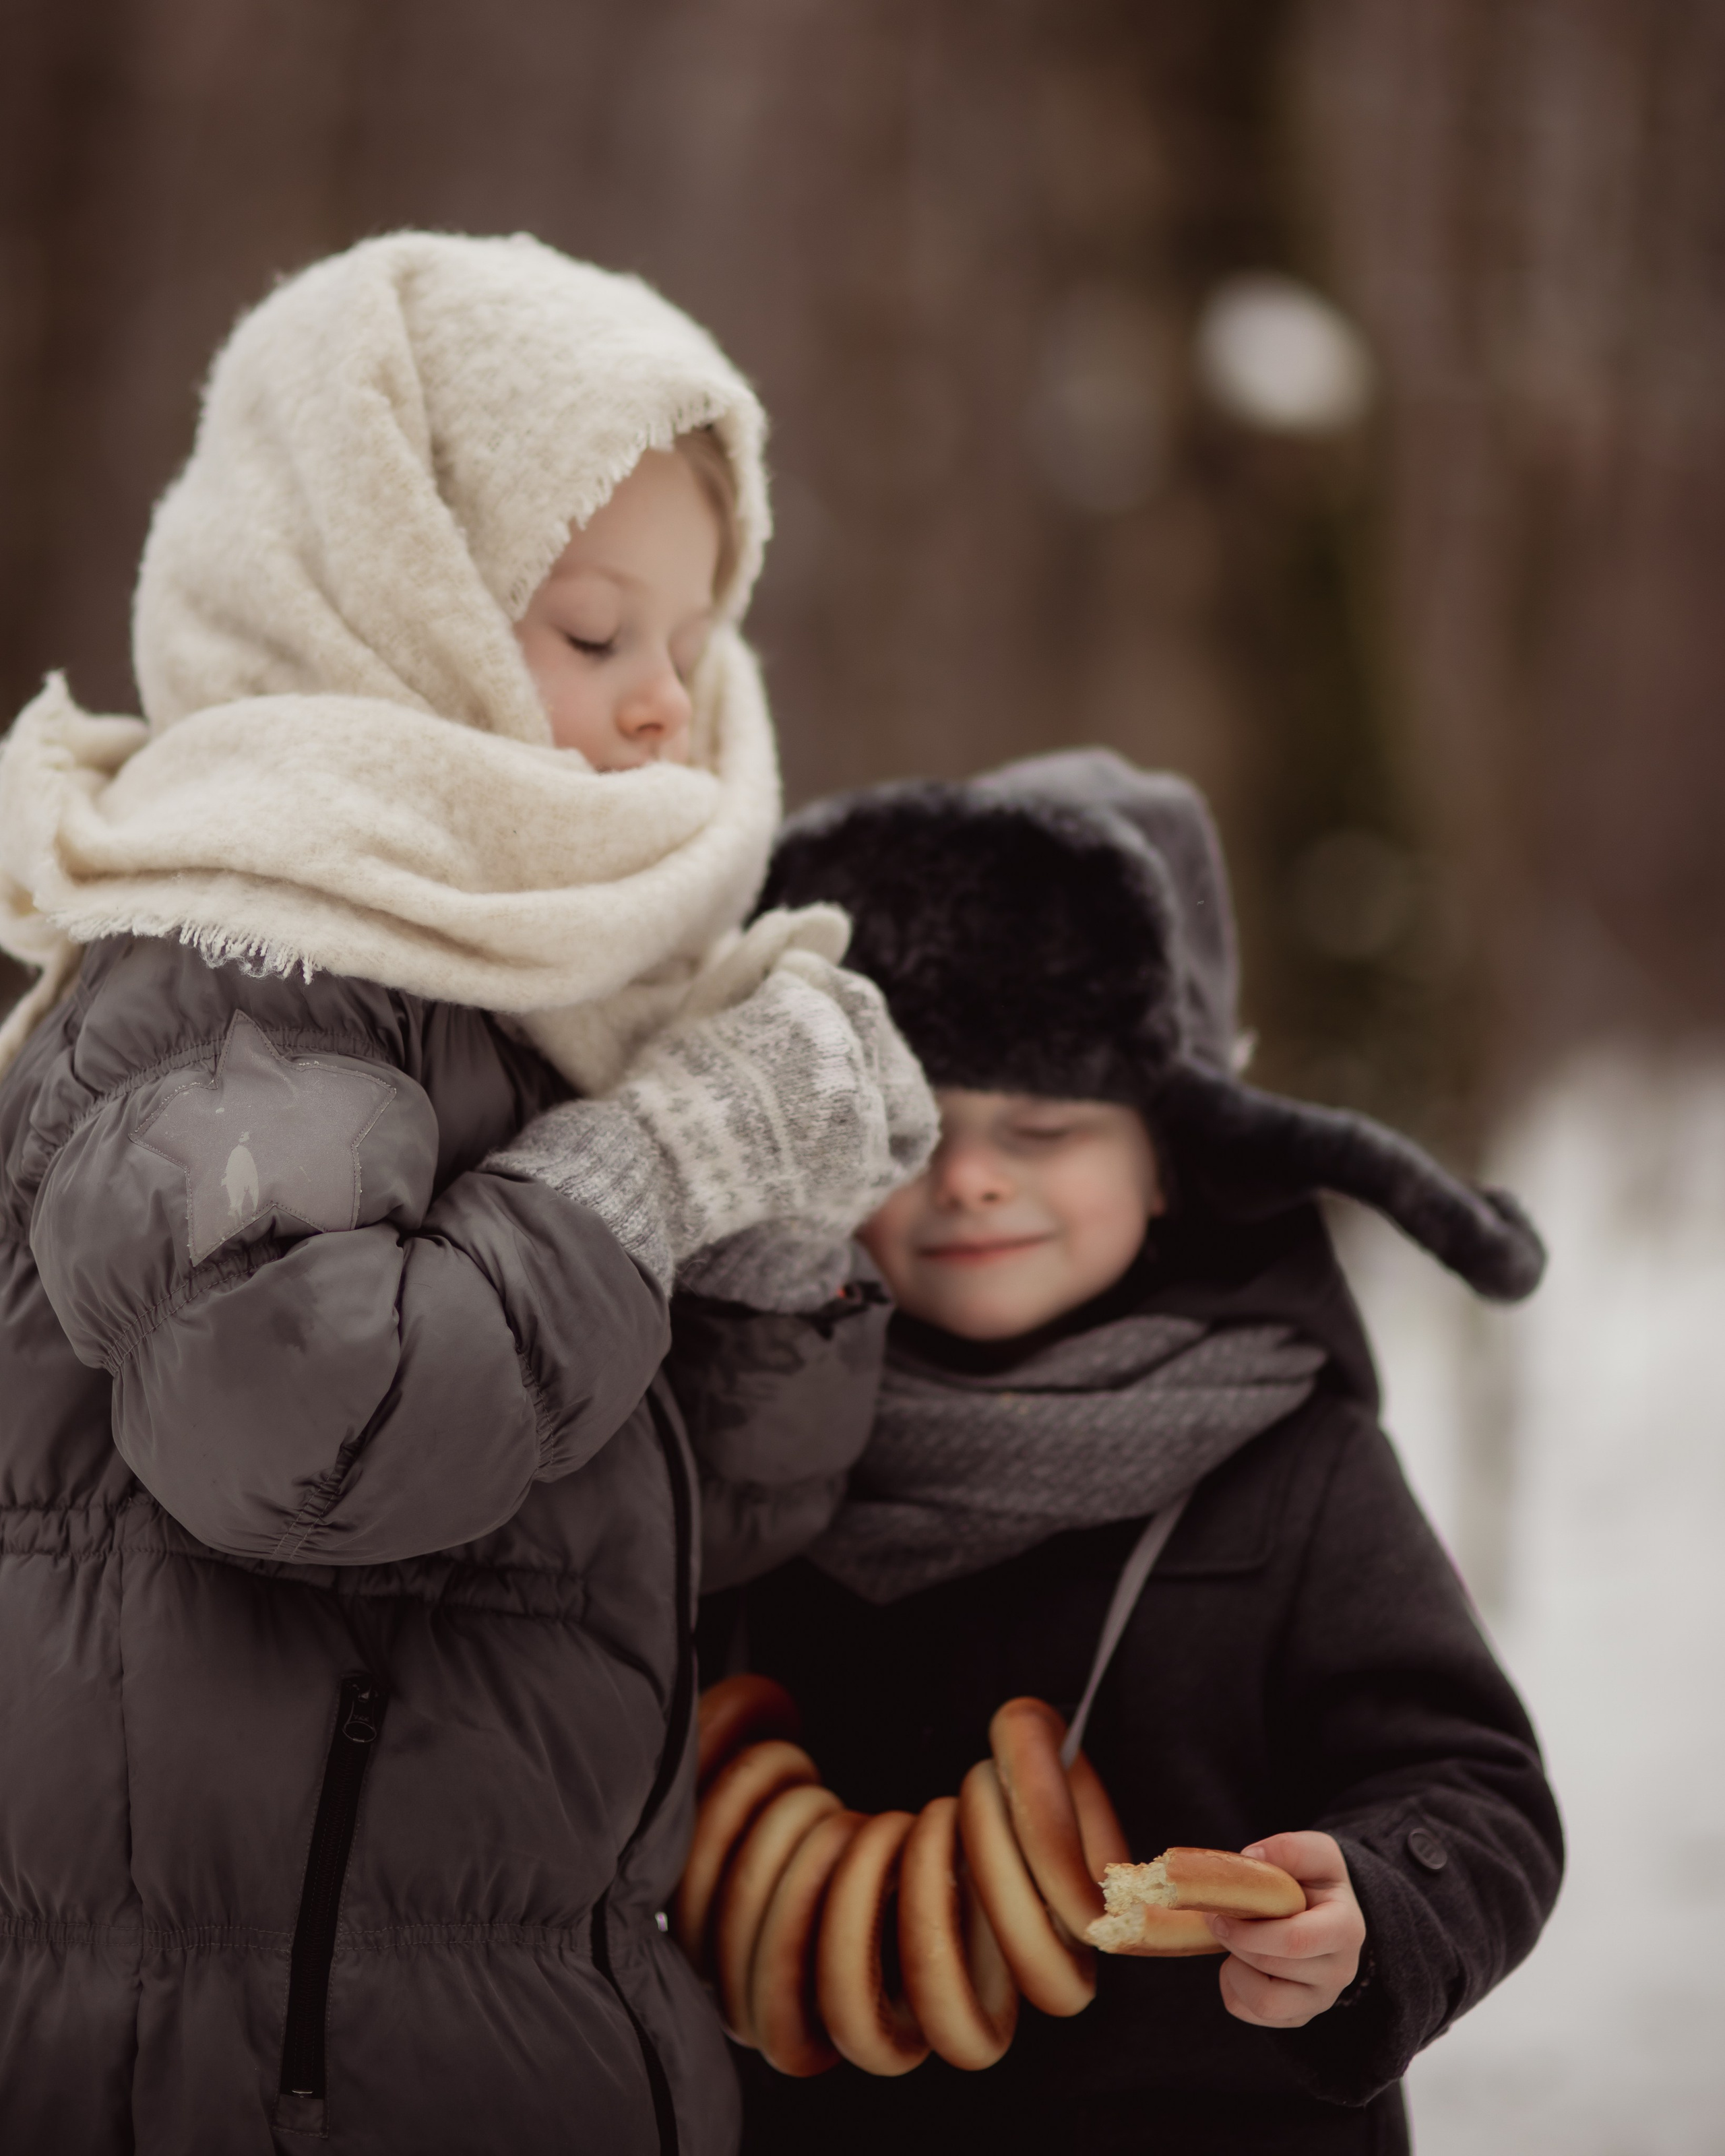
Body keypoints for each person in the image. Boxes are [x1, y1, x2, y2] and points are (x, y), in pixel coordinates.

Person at [0, 231, 934, 2155]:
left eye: (690, 641)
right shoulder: (239, 959)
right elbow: (307, 1430)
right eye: (594, 635)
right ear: (377, 600)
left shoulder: (539, 978)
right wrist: (657, 1159)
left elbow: (654, 1529)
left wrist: (768, 1226)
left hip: (513, 2023)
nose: (665, 705)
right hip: (248, 2062)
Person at [701, 751, 1563, 2156]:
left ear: (1167, 1161)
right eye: (913, 1136)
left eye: (1044, 1127)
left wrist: (1378, 1908)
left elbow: (1474, 1783)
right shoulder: (763, 1456)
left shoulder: (1291, 1462)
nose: (971, 1177)